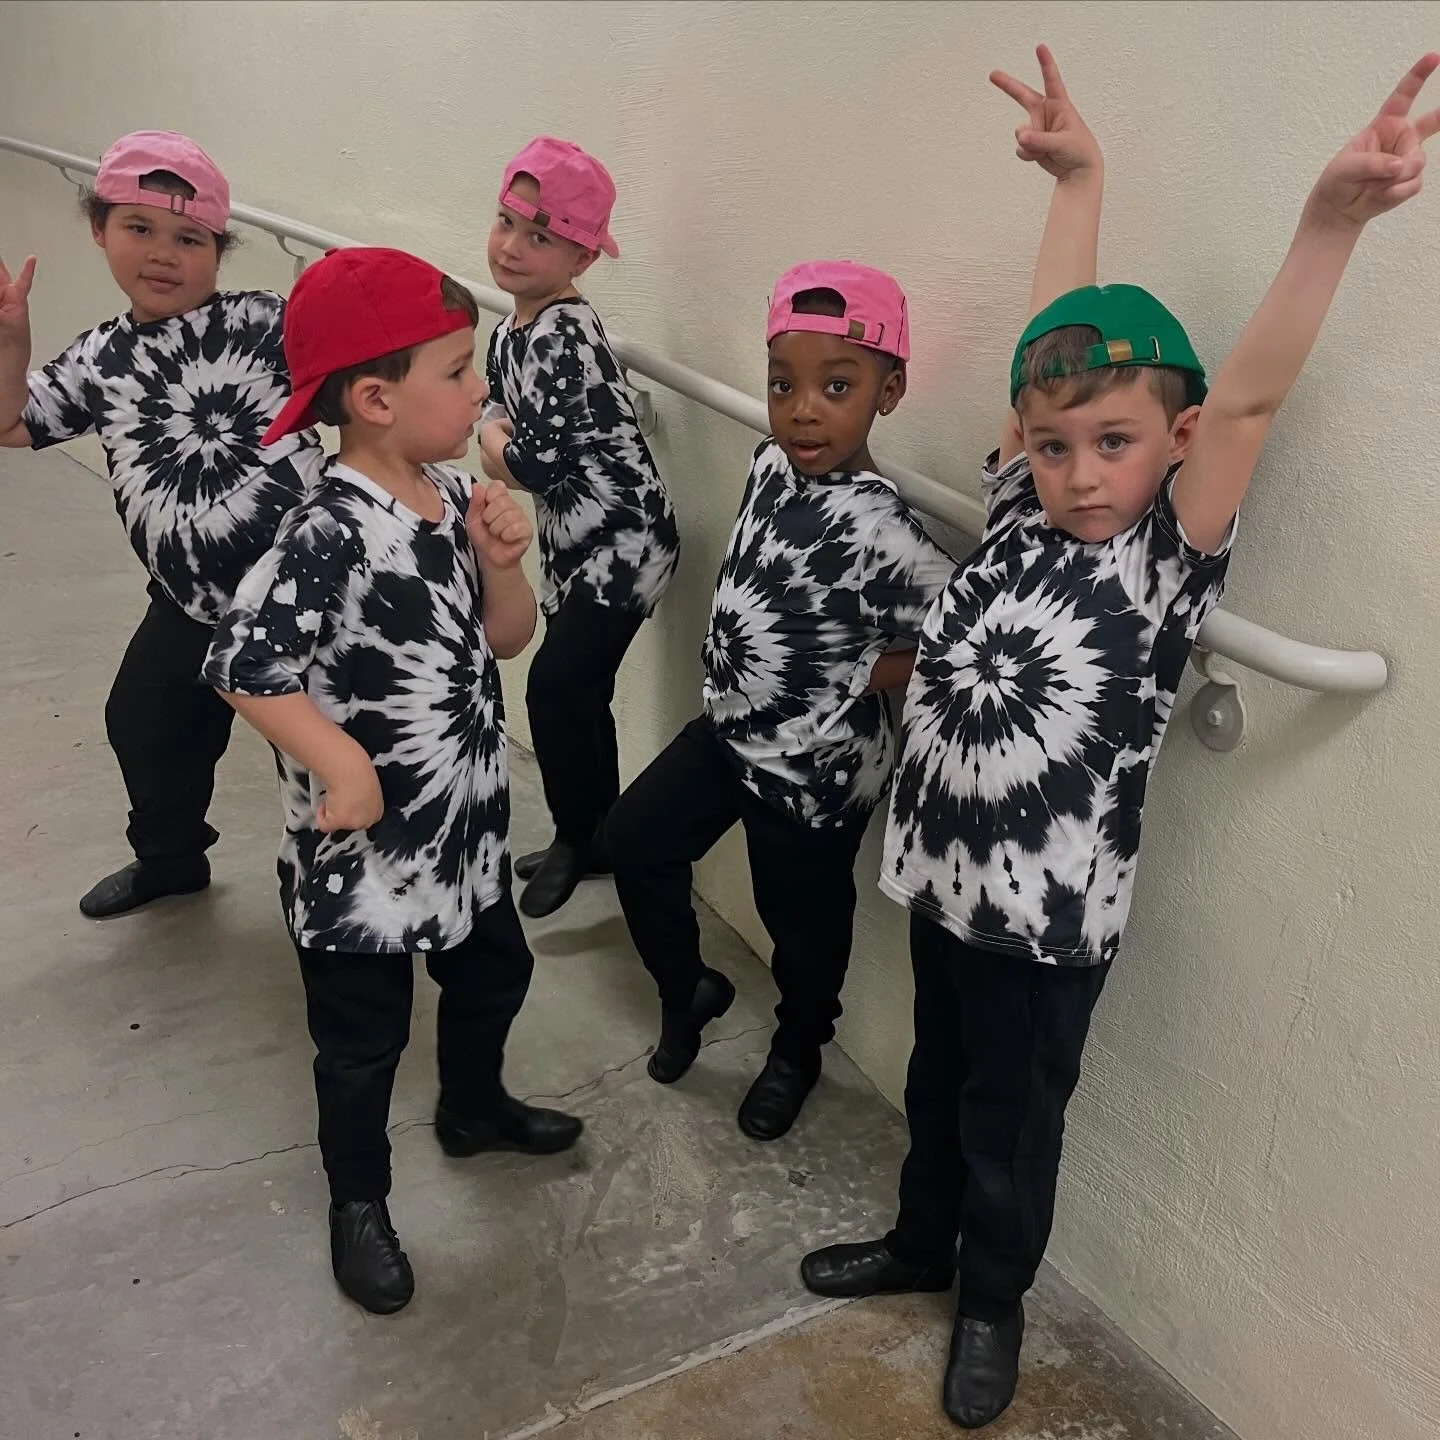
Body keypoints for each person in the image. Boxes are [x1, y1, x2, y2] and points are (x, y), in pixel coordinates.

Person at [800, 46, 1440, 1430]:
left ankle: (991, 1297)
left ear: (1175, 438)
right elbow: (1060, 327)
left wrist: (1332, 218)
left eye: (1113, 442)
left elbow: (1259, 393)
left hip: (1049, 910)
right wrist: (1081, 181)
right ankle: (920, 1244)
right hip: (946, 874)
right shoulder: (1025, 502)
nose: (1081, 472)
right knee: (935, 1072)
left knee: (1014, 1118)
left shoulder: (1164, 556)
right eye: (1054, 442)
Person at [202, 246, 583, 1315]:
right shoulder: (327, 532)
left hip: (462, 830)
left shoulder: (453, 492)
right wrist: (339, 760)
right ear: (375, 397)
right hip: (360, 857)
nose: (480, 392)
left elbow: (505, 642)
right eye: (459, 373)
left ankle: (472, 1106)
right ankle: (356, 1204)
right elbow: (243, 665)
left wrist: (504, 563)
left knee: (492, 974)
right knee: (361, 1046)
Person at [606, 260, 957, 1142]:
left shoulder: (886, 531)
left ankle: (799, 1047)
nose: (804, 409)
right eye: (783, 385)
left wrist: (860, 672)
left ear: (890, 390)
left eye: (837, 387)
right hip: (729, 732)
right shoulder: (770, 464)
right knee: (636, 841)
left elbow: (960, 634)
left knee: (800, 929)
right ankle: (687, 986)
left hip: (812, 772)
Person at [0, 130, 323, 918]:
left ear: (220, 249)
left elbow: (364, 370)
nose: (163, 254)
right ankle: (171, 859)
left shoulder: (265, 322)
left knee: (321, 761)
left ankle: (355, 897)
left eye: (190, 238)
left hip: (299, 601)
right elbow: (12, 423)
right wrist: (12, 345)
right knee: (143, 724)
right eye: (138, 229)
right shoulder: (100, 358)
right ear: (98, 229)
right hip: (186, 602)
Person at [478, 136, 680, 919]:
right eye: (506, 223)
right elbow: (499, 413)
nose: (512, 248)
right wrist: (497, 437)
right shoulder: (510, 332)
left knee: (559, 690)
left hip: (625, 541)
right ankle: (593, 835)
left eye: (541, 237)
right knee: (580, 693)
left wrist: (490, 443)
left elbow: (532, 462)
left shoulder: (568, 333)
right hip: (578, 540)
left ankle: (580, 834)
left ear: (581, 260)